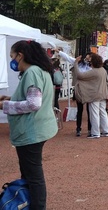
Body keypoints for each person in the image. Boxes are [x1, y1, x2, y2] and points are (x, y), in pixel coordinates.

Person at [0, 40, 58, 209]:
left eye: (12, 56)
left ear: (20, 55)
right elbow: (33, 98)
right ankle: (28, 203)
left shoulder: (32, 72)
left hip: (31, 133)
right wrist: (12, 99)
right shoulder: (40, 70)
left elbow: (33, 104)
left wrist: (5, 105)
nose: (11, 60)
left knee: (33, 176)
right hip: (37, 130)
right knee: (31, 174)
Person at [74, 53, 108, 138]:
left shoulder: (94, 71)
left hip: (94, 95)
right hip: (103, 94)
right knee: (103, 113)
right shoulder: (103, 70)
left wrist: (76, 63)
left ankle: (95, 133)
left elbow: (79, 75)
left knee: (94, 114)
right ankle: (106, 131)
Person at [58, 49, 92, 137]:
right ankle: (78, 128)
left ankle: (90, 129)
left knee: (90, 110)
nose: (87, 59)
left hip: (89, 90)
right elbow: (68, 58)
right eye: (87, 57)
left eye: (89, 58)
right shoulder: (77, 63)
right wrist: (59, 52)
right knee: (80, 110)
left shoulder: (92, 66)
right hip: (79, 89)